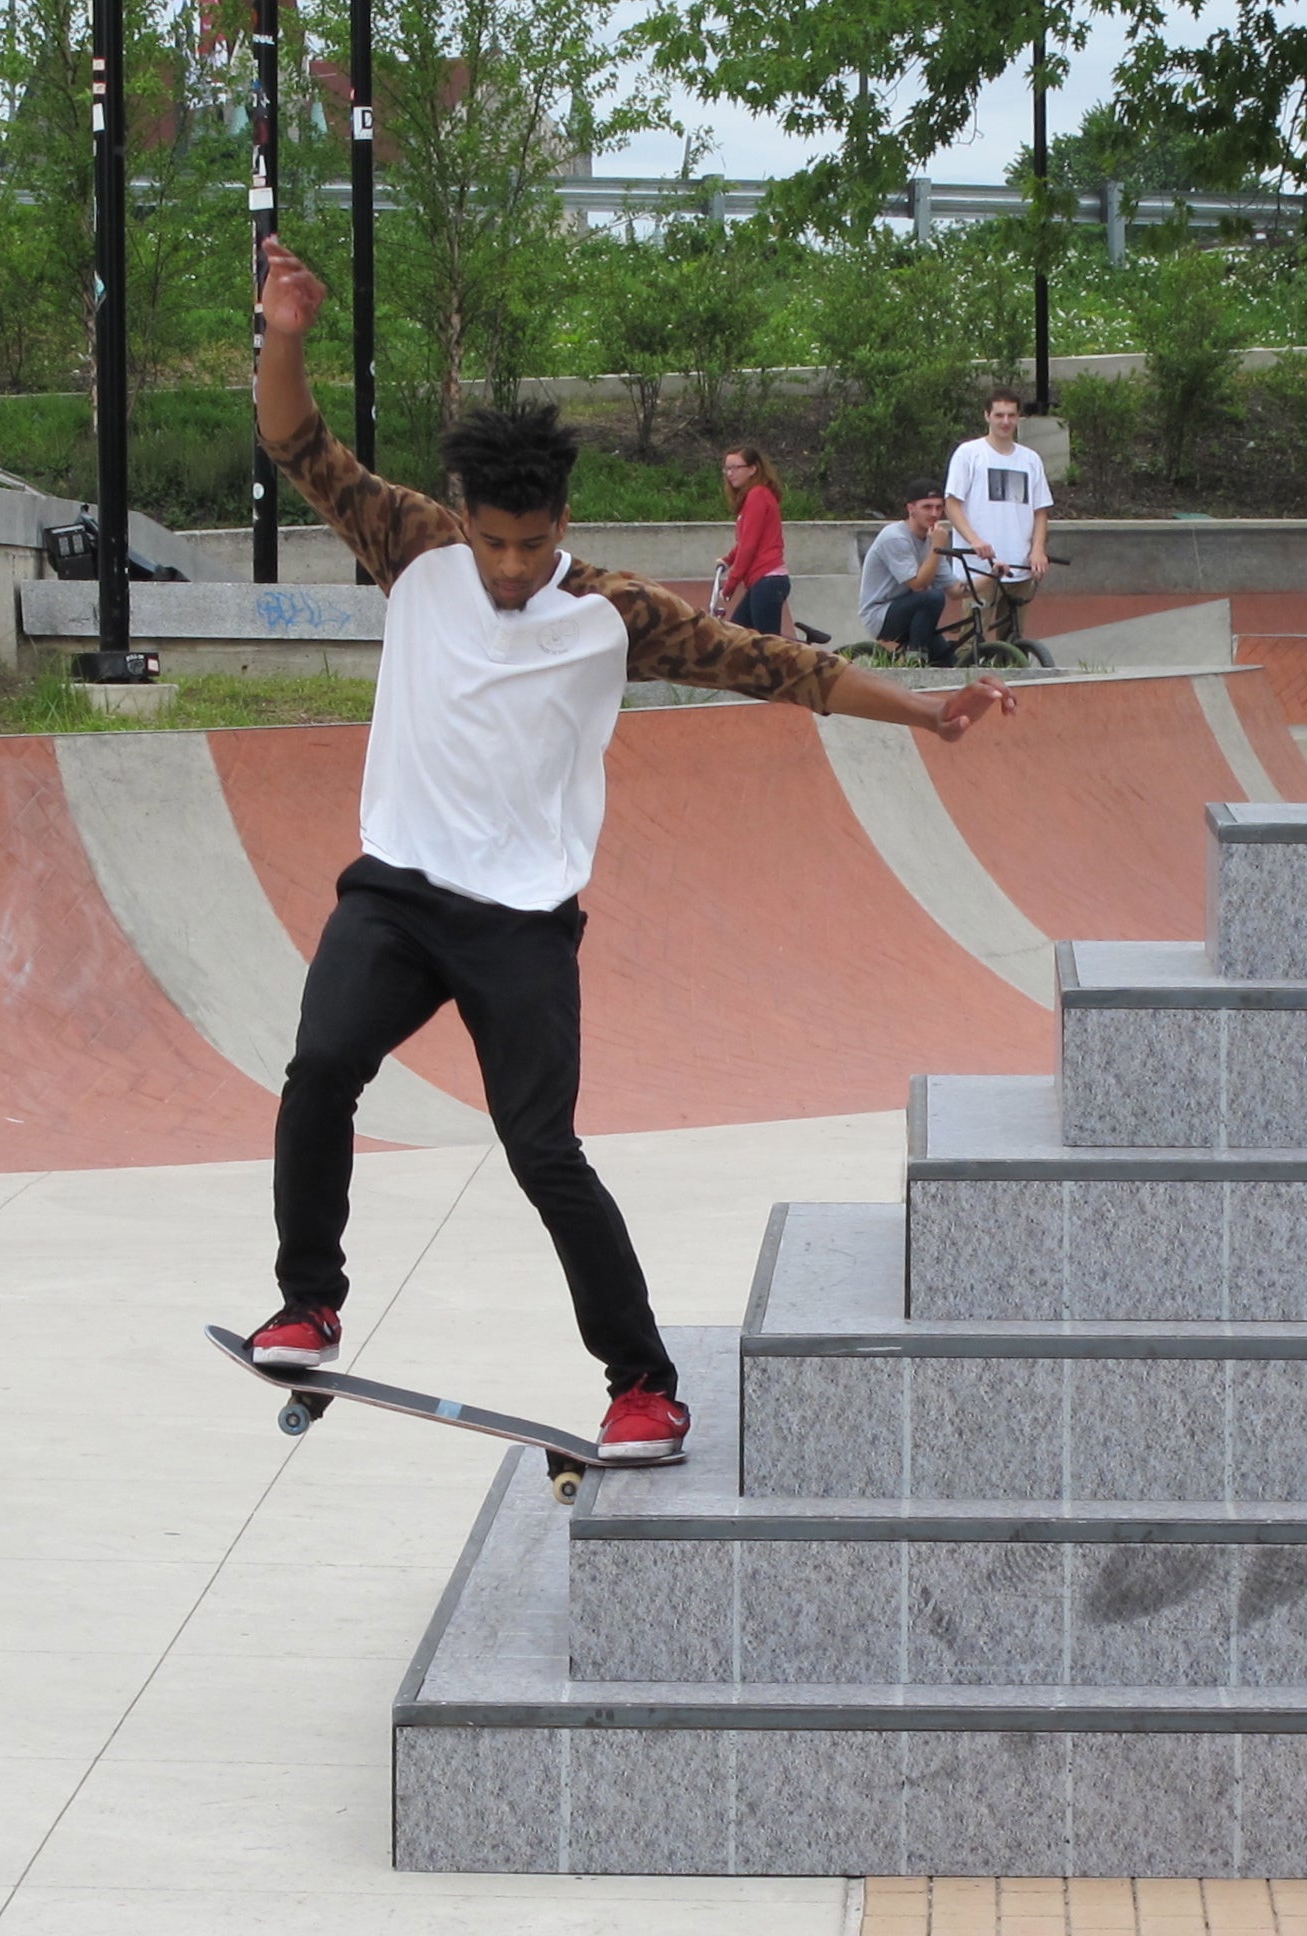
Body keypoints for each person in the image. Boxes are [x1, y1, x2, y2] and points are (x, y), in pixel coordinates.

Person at [244, 235, 1017, 1464]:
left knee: (543, 1150)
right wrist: (283, 333)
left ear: (562, 521)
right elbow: (298, 444)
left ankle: (643, 1381)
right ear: (464, 521)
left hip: (522, 924)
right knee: (320, 1067)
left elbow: (784, 668)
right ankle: (309, 1298)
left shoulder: (615, 613)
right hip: (394, 894)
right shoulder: (411, 545)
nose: (505, 567)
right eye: (490, 541)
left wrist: (924, 711)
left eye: (526, 543)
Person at [944, 391, 1053, 628]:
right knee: (973, 637)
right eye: (999, 415)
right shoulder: (969, 454)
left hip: (1019, 565)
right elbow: (952, 504)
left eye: (1011, 415)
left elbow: (1040, 511)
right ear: (987, 416)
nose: (1005, 422)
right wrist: (974, 541)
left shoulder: (1030, 459)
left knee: (1014, 639)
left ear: (1018, 418)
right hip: (981, 568)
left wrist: (1038, 550)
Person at [860, 480, 959, 666]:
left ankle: (919, 660)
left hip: (915, 612)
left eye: (939, 508)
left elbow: (955, 590)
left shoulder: (931, 541)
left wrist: (993, 576)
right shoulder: (895, 537)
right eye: (927, 507)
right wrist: (937, 547)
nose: (934, 514)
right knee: (933, 597)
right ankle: (915, 656)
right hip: (881, 614)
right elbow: (918, 584)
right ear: (911, 509)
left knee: (949, 660)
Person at [714, 444, 789, 637]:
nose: (730, 474)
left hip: (767, 580)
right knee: (738, 639)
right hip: (762, 582)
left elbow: (749, 545)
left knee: (766, 646)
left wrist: (730, 584)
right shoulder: (754, 497)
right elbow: (747, 540)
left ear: (753, 469)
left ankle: (777, 668)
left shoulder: (757, 495)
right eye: (727, 469)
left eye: (736, 468)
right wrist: (728, 559)